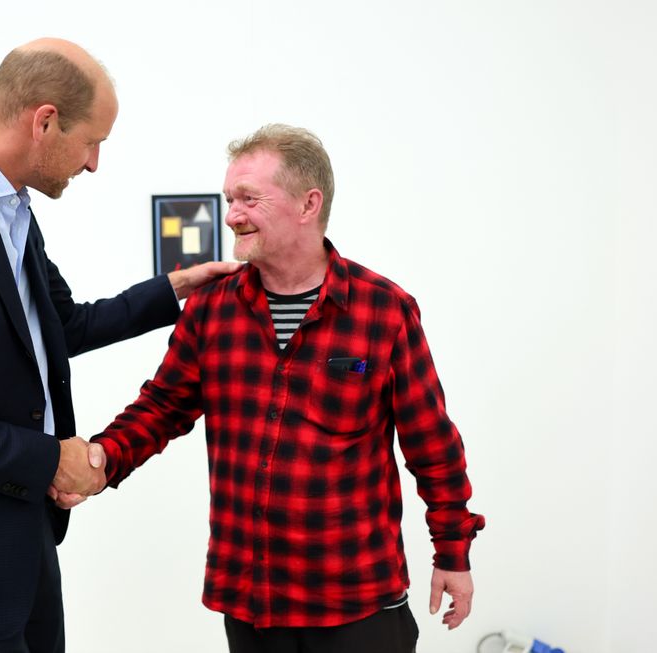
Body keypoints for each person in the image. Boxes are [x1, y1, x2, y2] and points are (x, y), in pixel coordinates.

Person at [0, 37, 237, 653]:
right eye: (92, 142)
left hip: (21, 533)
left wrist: (175, 290)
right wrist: (49, 459)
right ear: (46, 121)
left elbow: (62, 325)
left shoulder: (9, 208)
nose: (92, 164)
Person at [85, 124, 486, 653]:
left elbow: (432, 444)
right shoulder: (212, 308)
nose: (231, 214)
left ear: (307, 204)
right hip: (253, 605)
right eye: (230, 199)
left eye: (249, 199)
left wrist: (451, 553)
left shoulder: (384, 310)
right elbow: (162, 407)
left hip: (357, 604)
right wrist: (99, 459)